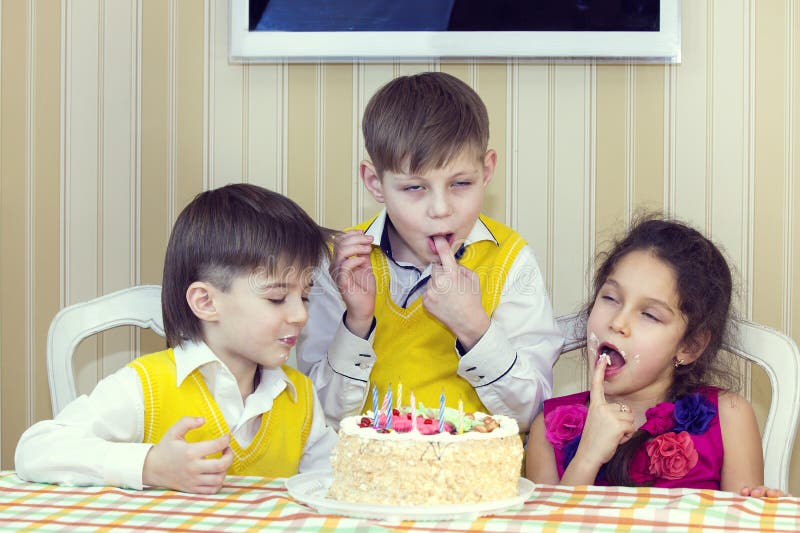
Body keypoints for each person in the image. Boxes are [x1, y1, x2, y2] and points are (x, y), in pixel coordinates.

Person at [15, 184, 337, 494]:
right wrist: (150, 466)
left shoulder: (301, 399)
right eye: (278, 298)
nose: (300, 315)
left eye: (305, 296)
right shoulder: (148, 386)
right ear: (206, 302)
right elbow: (37, 449)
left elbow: (331, 483)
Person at [296, 71, 563, 431]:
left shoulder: (512, 261)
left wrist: (475, 328)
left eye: (461, 184)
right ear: (375, 183)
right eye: (414, 188)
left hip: (475, 480)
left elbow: (531, 413)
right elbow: (316, 416)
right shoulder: (342, 265)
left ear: (487, 171)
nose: (440, 209)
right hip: (367, 479)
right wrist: (357, 323)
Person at [525, 216, 786, 496]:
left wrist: (761, 510)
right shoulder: (549, 426)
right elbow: (548, 524)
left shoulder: (729, 418)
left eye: (649, 314)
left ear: (689, 347)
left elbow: (740, 521)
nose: (618, 323)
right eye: (611, 298)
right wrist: (586, 458)